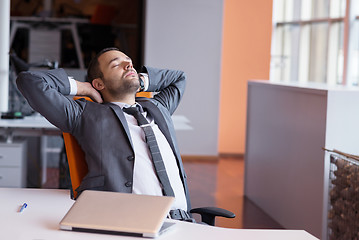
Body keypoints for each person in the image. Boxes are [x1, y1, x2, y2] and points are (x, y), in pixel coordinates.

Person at [16, 47, 192, 221]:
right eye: (116, 64)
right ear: (99, 83)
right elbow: (29, 81)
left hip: (183, 221)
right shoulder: (84, 114)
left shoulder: (159, 107)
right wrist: (83, 88)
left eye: (129, 61)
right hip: (129, 222)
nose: (129, 65)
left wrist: (142, 81)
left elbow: (178, 78)